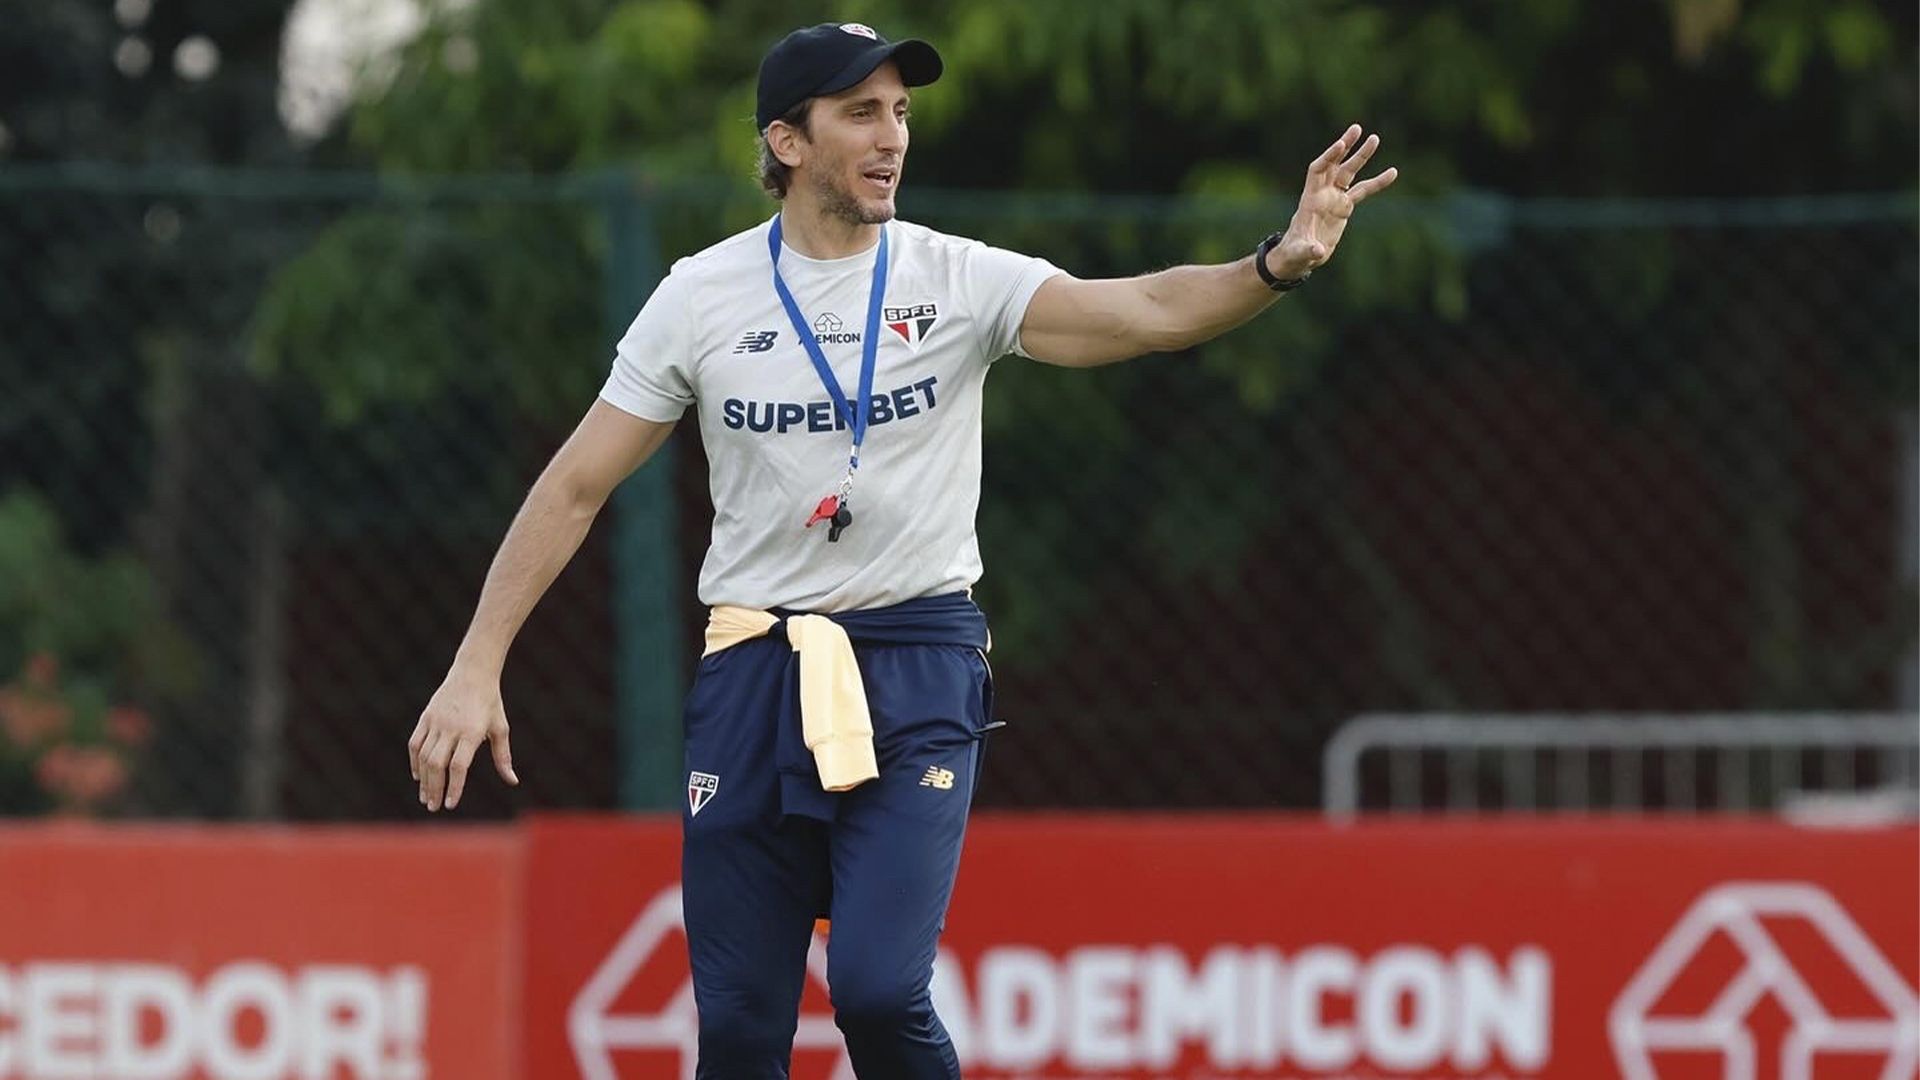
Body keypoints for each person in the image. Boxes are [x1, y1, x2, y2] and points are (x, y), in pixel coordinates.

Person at [407, 20, 1397, 1078]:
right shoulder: (701, 296)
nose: (893, 138)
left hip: (918, 661)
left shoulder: (954, 278)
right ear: (788, 141)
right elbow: (574, 485)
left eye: (902, 113)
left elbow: (1144, 311)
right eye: (862, 113)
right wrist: (477, 664)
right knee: (739, 1032)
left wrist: (1275, 264)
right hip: (754, 667)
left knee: (879, 992)